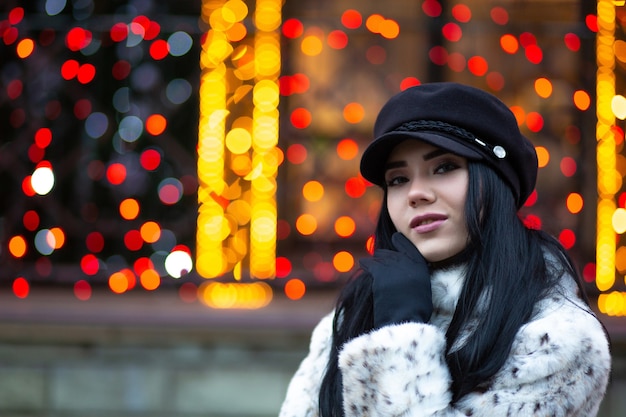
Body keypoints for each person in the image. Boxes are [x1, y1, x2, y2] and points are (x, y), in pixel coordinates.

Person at [278, 82, 611, 417]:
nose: (415, 193)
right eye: (398, 179)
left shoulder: (557, 340)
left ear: (495, 180)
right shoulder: (354, 317)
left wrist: (398, 338)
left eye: (444, 167)